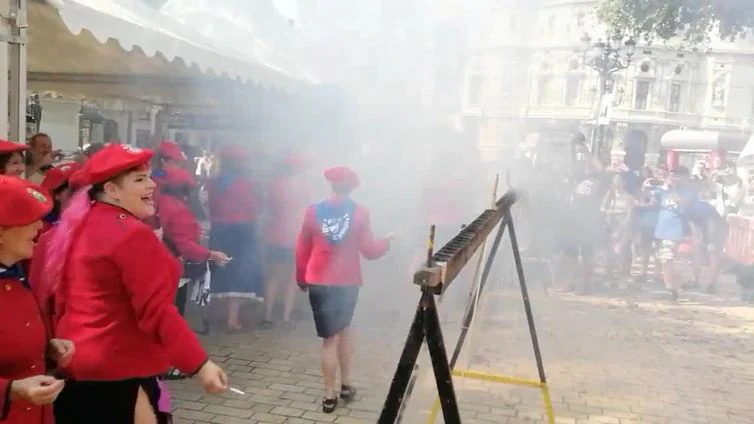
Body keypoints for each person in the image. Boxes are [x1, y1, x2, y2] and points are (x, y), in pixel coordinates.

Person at [37, 144, 228, 424]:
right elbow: (157, 312)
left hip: (73, 365)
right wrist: (199, 364)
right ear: (111, 189)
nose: (152, 185)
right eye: (139, 179)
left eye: (149, 177)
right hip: (118, 367)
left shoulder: (65, 230)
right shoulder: (132, 235)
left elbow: (45, 300)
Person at [295, 166, 392, 413]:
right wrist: (386, 243)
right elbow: (369, 250)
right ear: (352, 187)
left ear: (331, 185)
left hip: (318, 279)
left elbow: (302, 247)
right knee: (345, 330)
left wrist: (301, 276)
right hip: (347, 281)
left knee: (330, 339)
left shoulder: (312, 211)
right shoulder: (360, 213)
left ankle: (329, 395)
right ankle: (346, 385)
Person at [0, 175, 75, 424]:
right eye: (30, 220)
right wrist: (11, 390)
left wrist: (47, 349)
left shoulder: (16, 274)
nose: (40, 227)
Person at [207, 144, 263, 332]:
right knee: (239, 273)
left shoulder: (214, 182)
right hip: (241, 230)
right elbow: (253, 207)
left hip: (219, 228)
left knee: (220, 270)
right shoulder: (245, 183)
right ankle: (232, 319)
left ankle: (214, 314)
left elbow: (210, 206)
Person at [262, 153, 311, 329]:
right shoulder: (304, 187)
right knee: (292, 278)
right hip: (295, 237)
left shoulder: (275, 185)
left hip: (275, 235)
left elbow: (268, 209)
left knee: (273, 276)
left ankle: (267, 316)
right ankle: (286, 317)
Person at [654, 167, 698, 301]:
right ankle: (670, 287)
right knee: (664, 260)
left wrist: (672, 190)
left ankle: (673, 288)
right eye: (672, 176)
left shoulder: (690, 192)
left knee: (668, 258)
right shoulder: (664, 191)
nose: (673, 178)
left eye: (677, 176)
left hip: (675, 229)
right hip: (661, 229)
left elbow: (686, 206)